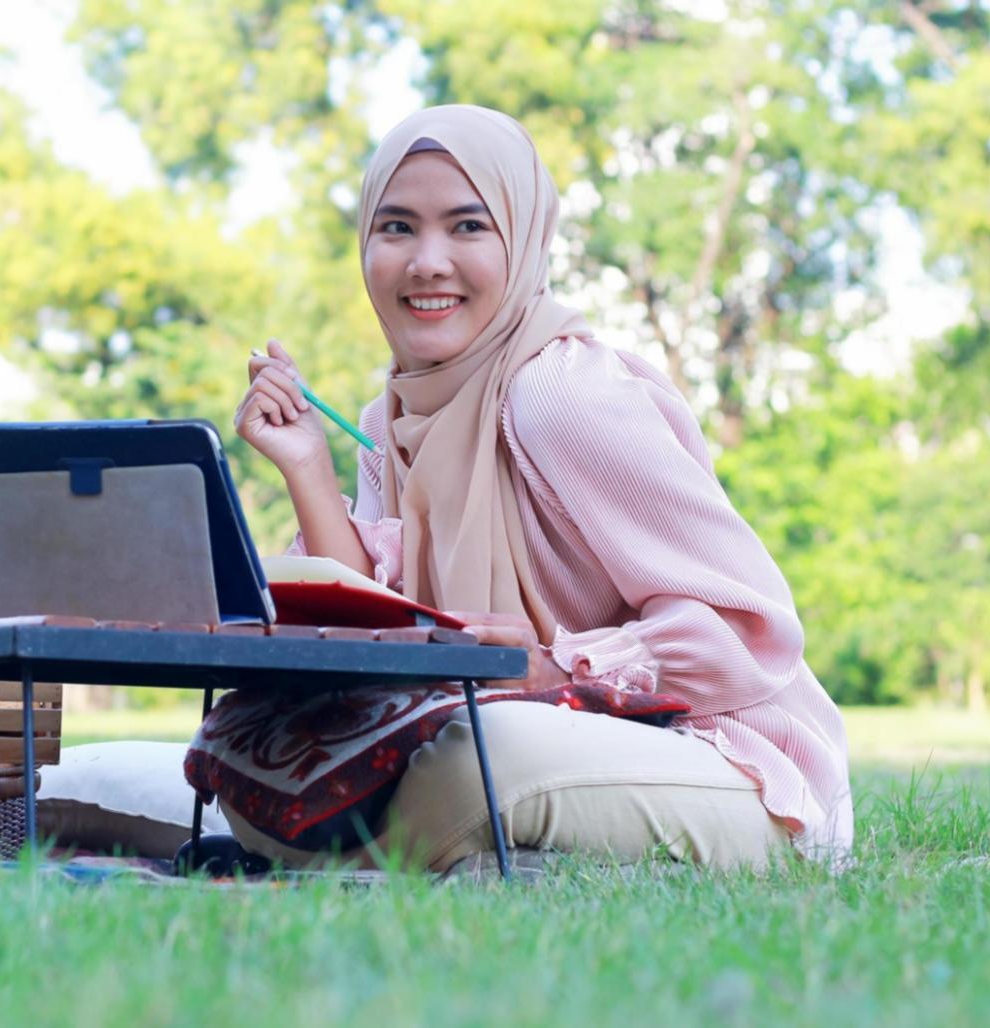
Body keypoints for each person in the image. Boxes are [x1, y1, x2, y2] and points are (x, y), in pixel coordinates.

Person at [214, 105, 853, 871]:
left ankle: (363, 861)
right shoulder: (388, 419)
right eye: (396, 227)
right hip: (521, 740)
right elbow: (371, 632)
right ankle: (419, 860)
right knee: (255, 743)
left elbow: (746, 633)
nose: (427, 262)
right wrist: (307, 468)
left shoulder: (559, 394)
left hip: (730, 766)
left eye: (468, 227)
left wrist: (554, 667)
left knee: (476, 764)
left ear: (525, 241)